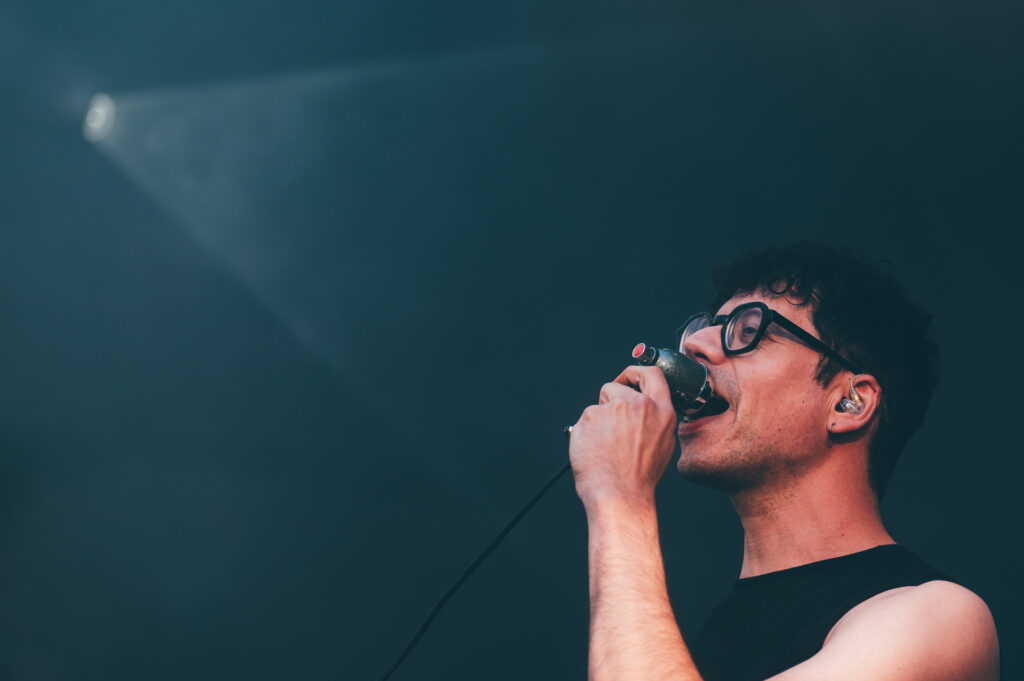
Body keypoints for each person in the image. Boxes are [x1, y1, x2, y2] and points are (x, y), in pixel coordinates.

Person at [568, 242, 1000, 681]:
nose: (694, 344)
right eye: (702, 328)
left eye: (748, 331)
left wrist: (620, 496)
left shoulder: (937, 618)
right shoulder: (702, 639)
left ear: (848, 403)